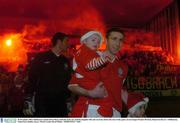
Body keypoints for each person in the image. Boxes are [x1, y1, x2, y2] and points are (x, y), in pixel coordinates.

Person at [68, 28, 129, 117]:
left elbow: (119, 90)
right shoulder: (92, 58)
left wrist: (134, 106)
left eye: (120, 40)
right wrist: (89, 93)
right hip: (93, 109)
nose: (117, 43)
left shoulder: (124, 67)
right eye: (114, 39)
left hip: (115, 112)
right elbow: (72, 86)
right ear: (106, 40)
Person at [23, 32, 72, 117]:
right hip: (43, 103)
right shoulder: (41, 57)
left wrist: (68, 101)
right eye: (67, 41)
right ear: (59, 42)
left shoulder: (65, 61)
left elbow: (67, 82)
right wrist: (28, 99)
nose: (69, 44)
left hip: (60, 103)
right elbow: (32, 78)